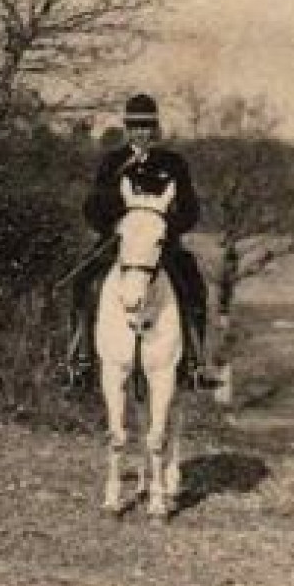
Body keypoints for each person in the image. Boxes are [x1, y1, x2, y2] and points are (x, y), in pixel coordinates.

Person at [67, 94, 214, 389]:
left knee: (193, 287)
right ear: (127, 128)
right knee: (82, 282)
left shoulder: (173, 163)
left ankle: (194, 364)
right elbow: (91, 208)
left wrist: (164, 231)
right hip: (118, 242)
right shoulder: (112, 163)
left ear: (155, 128)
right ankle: (80, 361)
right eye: (135, 126)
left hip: (161, 245)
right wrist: (115, 223)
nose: (141, 132)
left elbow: (190, 209)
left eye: (146, 126)